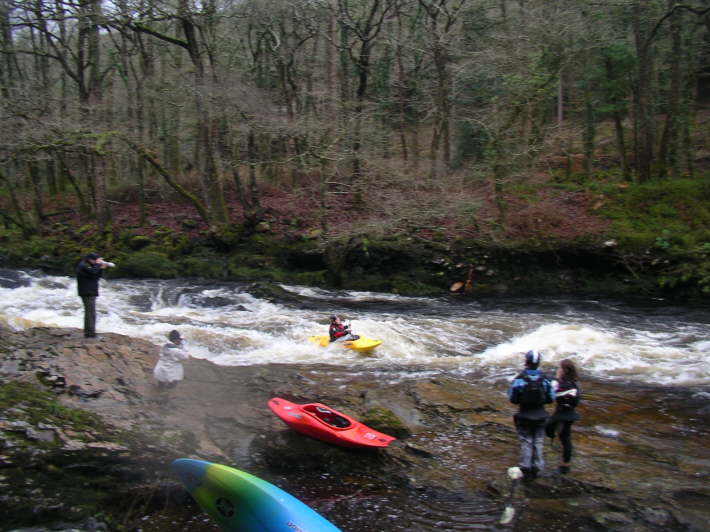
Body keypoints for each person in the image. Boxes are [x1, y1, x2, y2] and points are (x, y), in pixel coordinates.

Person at [508, 349, 555, 480]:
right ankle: (538, 467)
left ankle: (525, 467)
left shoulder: (519, 379)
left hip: (524, 414)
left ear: (526, 362)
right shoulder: (545, 379)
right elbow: (551, 397)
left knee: (526, 441)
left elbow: (512, 398)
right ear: (538, 363)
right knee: (539, 441)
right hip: (541, 414)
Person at [545, 359, 581, 474]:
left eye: (559, 368)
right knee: (565, 437)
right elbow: (576, 401)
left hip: (561, 413)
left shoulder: (558, 383)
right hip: (570, 413)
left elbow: (551, 395)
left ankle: (565, 464)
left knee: (551, 430)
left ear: (564, 371)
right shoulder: (575, 384)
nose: (558, 370)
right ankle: (565, 462)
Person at [75, 252, 111, 338]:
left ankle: (90, 331)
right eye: (95, 260)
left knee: (91, 312)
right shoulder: (83, 265)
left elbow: (96, 276)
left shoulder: (89, 266)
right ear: (90, 259)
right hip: (87, 292)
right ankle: (90, 333)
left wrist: (101, 268)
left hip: (91, 291)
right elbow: (93, 272)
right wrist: (98, 265)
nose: (96, 262)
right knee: (90, 313)